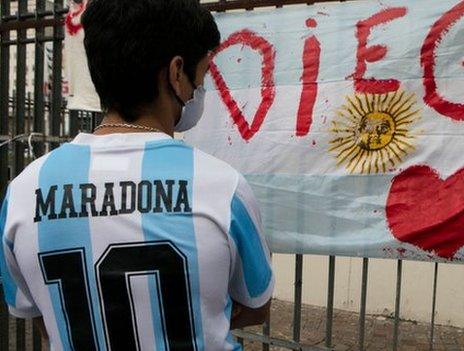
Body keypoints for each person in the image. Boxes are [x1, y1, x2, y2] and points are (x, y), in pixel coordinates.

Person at [0, 0, 273, 349]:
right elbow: (255, 305)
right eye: (200, 78)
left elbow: (40, 315)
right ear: (176, 73)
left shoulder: (25, 191)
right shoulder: (223, 187)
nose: (199, 91)